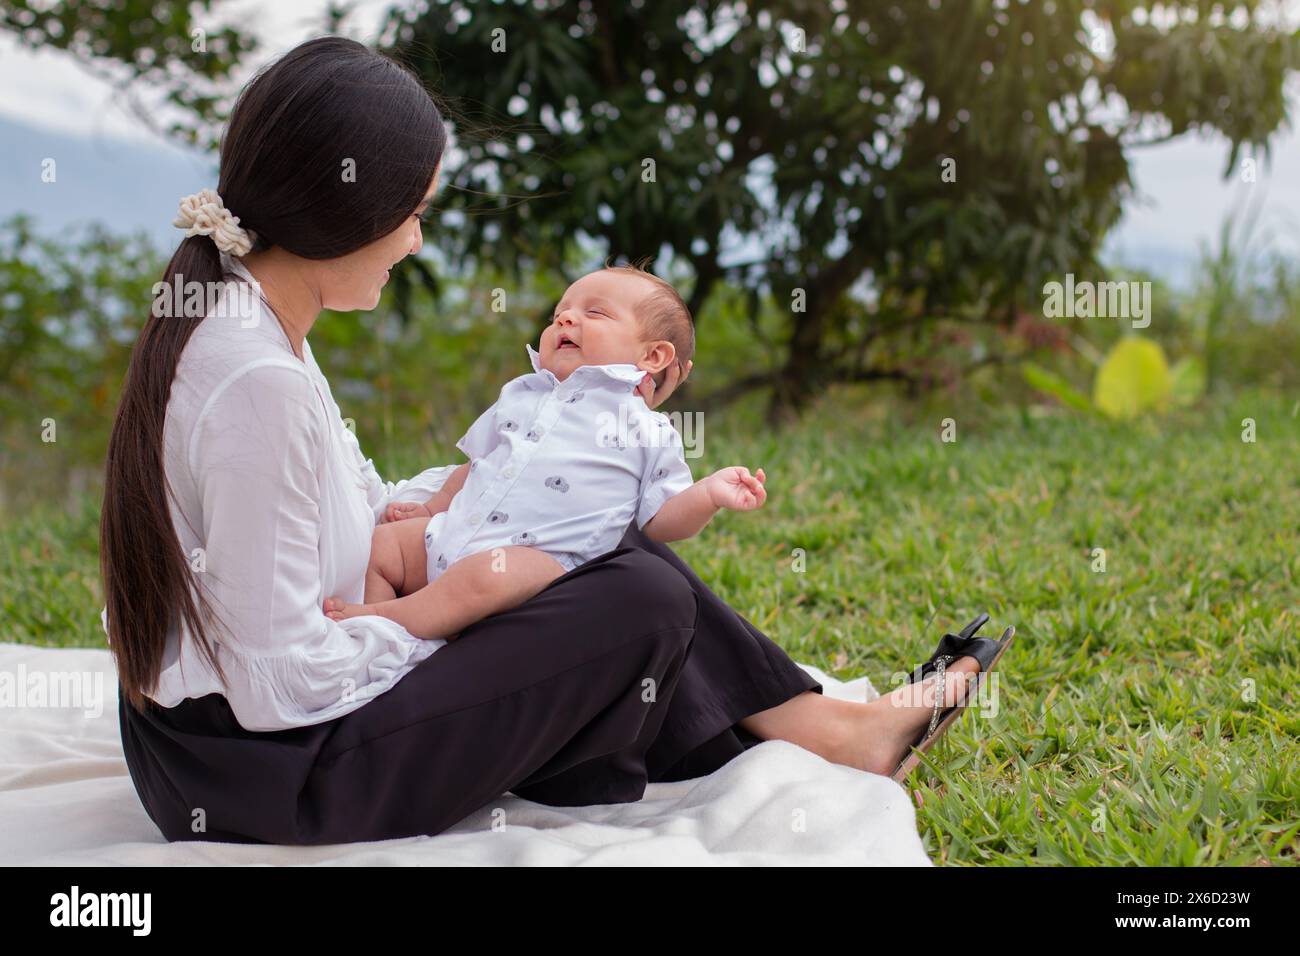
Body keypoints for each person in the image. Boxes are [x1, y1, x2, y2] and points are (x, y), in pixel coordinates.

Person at [102, 36, 989, 846]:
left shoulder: (255, 326)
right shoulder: (254, 379)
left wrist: (493, 507)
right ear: (347, 210)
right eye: (413, 212)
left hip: (246, 743)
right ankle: (820, 729)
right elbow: (278, 685)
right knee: (636, 596)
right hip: (274, 772)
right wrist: (445, 616)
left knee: (588, 521)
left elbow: (347, 506)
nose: (414, 240)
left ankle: (824, 728)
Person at [323, 265, 768, 639]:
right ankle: (385, 654)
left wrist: (708, 494)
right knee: (383, 546)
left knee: (487, 577)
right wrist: (433, 509)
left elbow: (662, 518)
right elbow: (480, 467)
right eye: (559, 314)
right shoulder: (522, 393)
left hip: (540, 566)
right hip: (453, 535)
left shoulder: (646, 427)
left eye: (593, 312)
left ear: (653, 355)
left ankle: (387, 623)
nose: (565, 321)